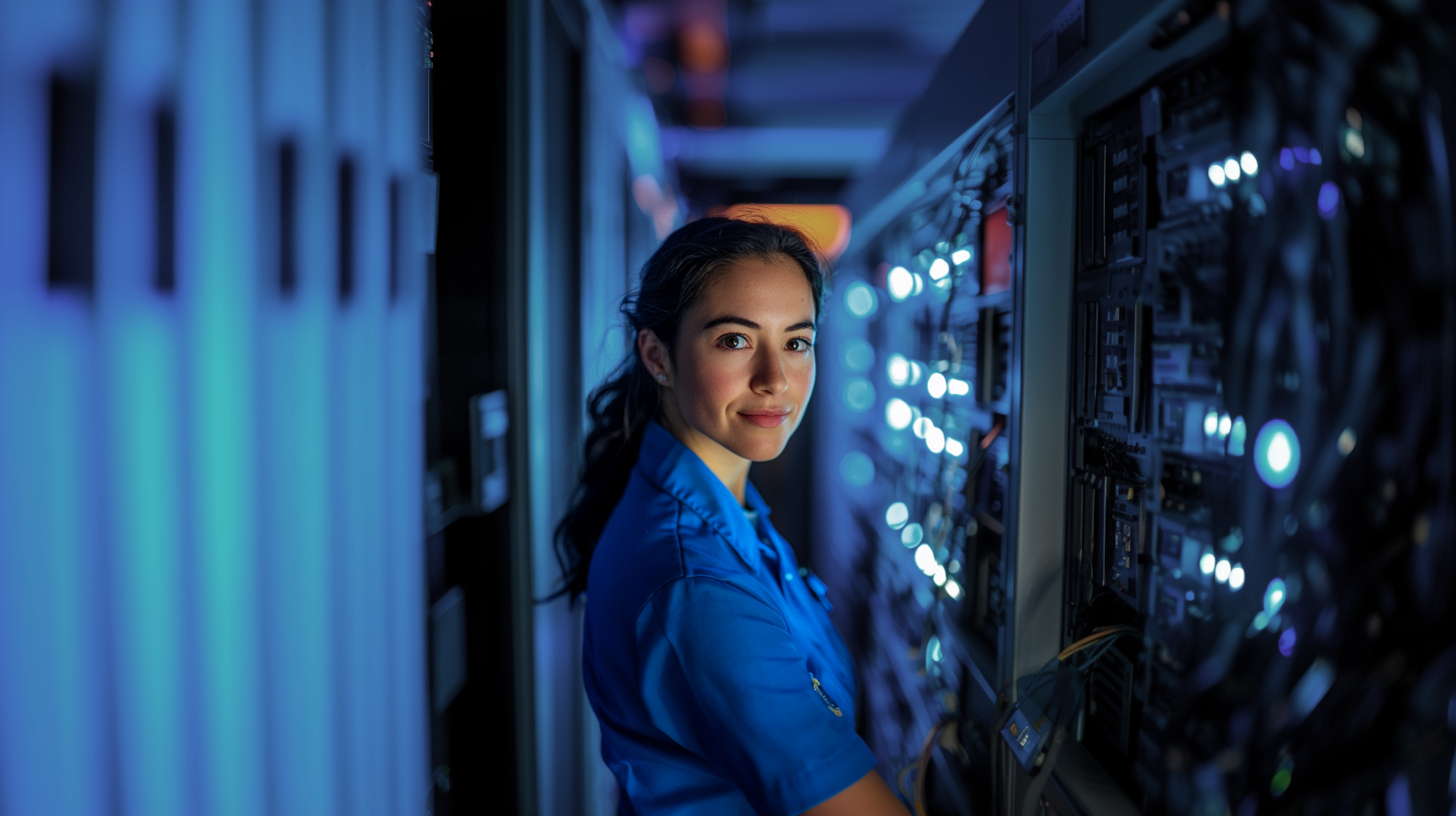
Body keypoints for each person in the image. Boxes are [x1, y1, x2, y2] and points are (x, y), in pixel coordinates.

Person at [555, 218, 911, 815]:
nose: (776, 380)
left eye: (797, 342)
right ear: (657, 356)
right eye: (735, 340)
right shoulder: (698, 585)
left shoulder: (719, 508)